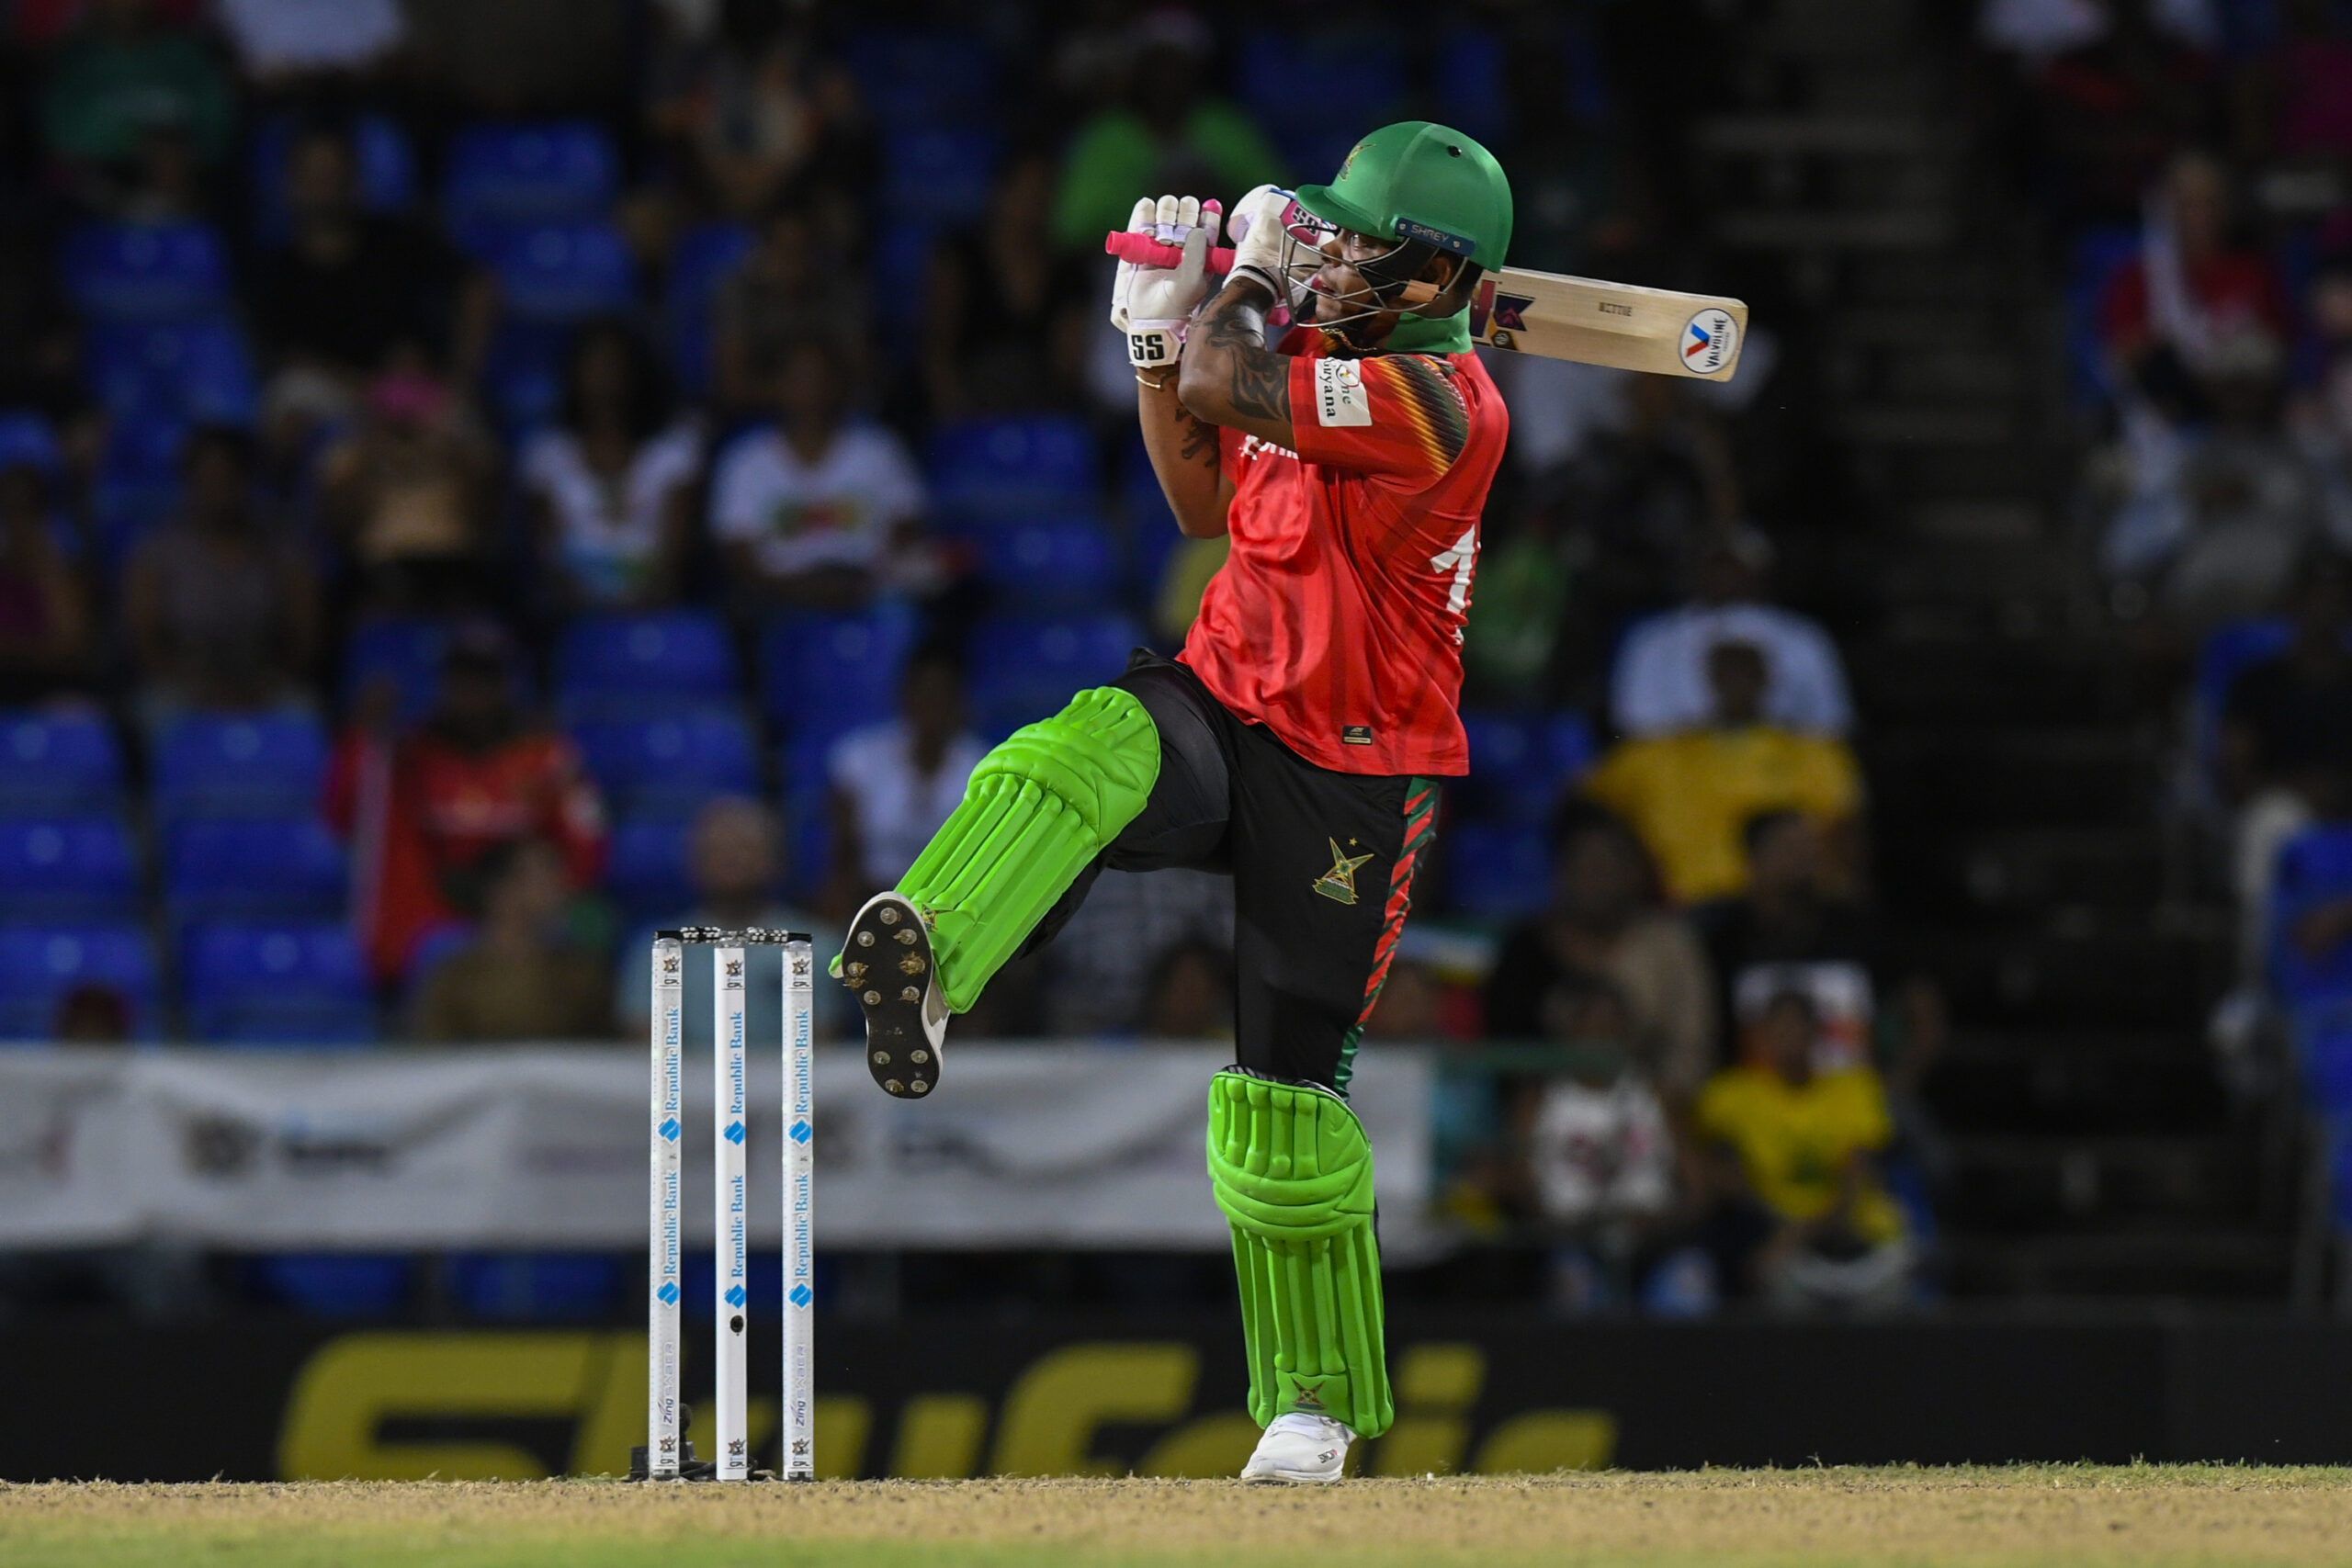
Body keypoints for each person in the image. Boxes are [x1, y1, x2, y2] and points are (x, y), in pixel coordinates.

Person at [836, 123, 1513, 1483]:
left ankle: (1310, 1408)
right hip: (1227, 694)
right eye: (1314, 229)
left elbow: (1225, 371)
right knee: (1075, 751)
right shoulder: (1312, 359)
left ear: (1433, 280)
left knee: (1284, 1104)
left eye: (1350, 240)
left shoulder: (1445, 406)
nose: (1322, 250)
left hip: (1354, 773)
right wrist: (1157, 348)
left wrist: (1237, 284)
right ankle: (934, 957)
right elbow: (1203, 497)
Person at [322, 622, 606, 983]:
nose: (473, 692)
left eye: (485, 679)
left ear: (506, 685)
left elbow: (585, 853)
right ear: (443, 684)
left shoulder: (546, 758)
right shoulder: (406, 757)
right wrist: (364, 735)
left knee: (586, 929)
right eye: (462, 678)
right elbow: (349, 817)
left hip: (526, 914)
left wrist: (528, 906)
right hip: (433, 916)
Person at [1583, 640, 1865, 905]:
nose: (1737, 684)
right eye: (1726, 673)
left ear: (1766, 678)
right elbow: (1588, 808)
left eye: (1747, 673)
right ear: (1710, 678)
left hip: (1778, 907)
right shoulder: (1656, 756)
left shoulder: (1813, 754)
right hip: (1682, 906)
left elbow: (1844, 833)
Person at [1694, 987, 1911, 1312]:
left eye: (1798, 1026)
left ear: (1816, 1033)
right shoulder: (1733, 1094)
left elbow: (1850, 1187)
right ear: (1762, 1035)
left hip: (1857, 1237)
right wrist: (1729, 1181)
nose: (1789, 1037)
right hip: (1782, 1238)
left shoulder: (1854, 1088)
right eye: (1779, 1028)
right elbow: (1686, 1136)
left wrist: (1790, 1239)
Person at [1484, 809, 1717, 1107]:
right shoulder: (1524, 950)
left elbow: (1692, 1048)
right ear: (1560, 872)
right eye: (1585, 866)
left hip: (1653, 1109)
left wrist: (1656, 1104)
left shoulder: (1669, 947)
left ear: (1635, 874)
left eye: (1607, 866)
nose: (1595, 879)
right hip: (1546, 1111)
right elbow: (1506, 1052)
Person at [708, 336, 926, 611]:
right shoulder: (745, 461)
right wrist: (800, 590)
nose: (812, 391)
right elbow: (738, 554)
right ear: (778, 386)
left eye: (822, 379)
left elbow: (906, 526)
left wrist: (868, 583)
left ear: (840, 384)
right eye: (800, 379)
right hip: (780, 601)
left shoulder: (880, 451)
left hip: (868, 593)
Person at [250, 123, 471, 391]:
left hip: (408, 391)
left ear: (354, 178)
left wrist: (461, 374)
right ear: (290, 182)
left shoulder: (397, 242)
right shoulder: (274, 270)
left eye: (333, 173)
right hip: (333, 393)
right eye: (312, 174)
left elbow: (477, 287)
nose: (324, 186)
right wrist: (363, 388)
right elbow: (288, 360)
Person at [122, 424, 319, 720]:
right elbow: (145, 640)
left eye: (228, 478)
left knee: (302, 715)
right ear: (190, 481)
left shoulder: (280, 548)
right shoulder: (159, 552)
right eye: (208, 478)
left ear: (246, 481)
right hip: (183, 687)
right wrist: (197, 687)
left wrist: (267, 683)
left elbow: (306, 633)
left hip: (265, 684)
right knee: (158, 714)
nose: (218, 489)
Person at [1049, 8, 1284, 251]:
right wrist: (1155, 210)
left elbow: (1276, 205)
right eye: (1157, 64)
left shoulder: (1225, 127)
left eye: (1178, 65)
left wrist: (1216, 208)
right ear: (1139, 70)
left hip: (1217, 256)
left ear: (1196, 71)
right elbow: (1074, 230)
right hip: (1122, 263)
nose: (1167, 77)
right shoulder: (1107, 135)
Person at [616, 795, 842, 1044]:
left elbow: (821, 1050)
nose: (732, 860)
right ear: (693, 862)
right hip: (689, 1081)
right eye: (717, 850)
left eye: (746, 848)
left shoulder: (817, 947)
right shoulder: (656, 950)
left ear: (777, 860)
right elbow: (646, 1050)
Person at [2220, 558, 2352, 979]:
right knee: (2268, 825)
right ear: (2292, 605)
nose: (2324, 609)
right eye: (2315, 597)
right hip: (2285, 813)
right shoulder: (2256, 683)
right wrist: (2301, 790)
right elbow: (2236, 779)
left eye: (2336, 598)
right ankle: (2260, 986)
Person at [519, 320, 699, 612]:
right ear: (574, 373)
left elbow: (674, 558)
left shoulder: (674, 451)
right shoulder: (546, 454)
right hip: (573, 610)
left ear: (634, 373)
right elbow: (549, 554)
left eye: (614, 365)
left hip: (653, 604)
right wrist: (585, 605)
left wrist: (641, 599)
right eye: (594, 365)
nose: (604, 377)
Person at [1610, 527, 1853, 739]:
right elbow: (1633, 723)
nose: (1725, 574)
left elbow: (1830, 723)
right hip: (1683, 774)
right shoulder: (1654, 640)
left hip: (1775, 772)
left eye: (1734, 563)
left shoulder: (1802, 638)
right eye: (1716, 563)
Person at [923, 152, 1095, 420]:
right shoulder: (960, 258)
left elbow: (1068, 366)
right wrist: (958, 418)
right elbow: (938, 350)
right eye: (1025, 190)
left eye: (1043, 192)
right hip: (968, 402)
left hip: (1040, 408)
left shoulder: (1068, 271)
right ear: (1001, 192)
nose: (1033, 203)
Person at [823, 644, 986, 910]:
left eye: (941, 695)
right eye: (924, 693)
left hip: (951, 904)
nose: (931, 704)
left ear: (960, 701)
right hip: (869, 897)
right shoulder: (859, 756)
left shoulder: (982, 765)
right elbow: (843, 855)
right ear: (905, 695)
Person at [412, 836, 611, 1042]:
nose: (559, 886)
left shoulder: (580, 974)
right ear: (500, 889)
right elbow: (431, 1052)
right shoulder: (454, 977)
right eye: (543, 875)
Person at [708, 197, 868, 418]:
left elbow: (857, 373)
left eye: (801, 249)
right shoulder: (739, 291)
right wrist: (797, 394)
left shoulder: (841, 289)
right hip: (757, 414)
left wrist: (811, 395)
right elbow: (732, 384)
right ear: (766, 251)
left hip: (830, 413)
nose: (792, 261)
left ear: (816, 251)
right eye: (783, 250)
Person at [0, 462, 92, 705]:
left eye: (25, 509)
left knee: (76, 714)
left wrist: (44, 568)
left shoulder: (59, 571)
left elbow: (69, 646)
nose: (17, 521)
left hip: (47, 686)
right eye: (8, 510)